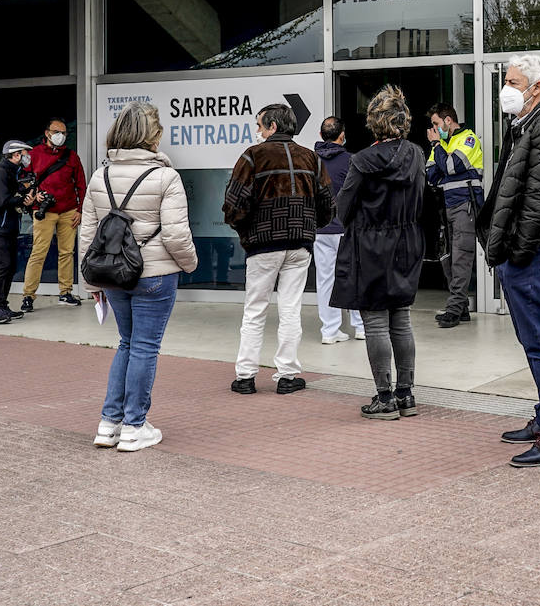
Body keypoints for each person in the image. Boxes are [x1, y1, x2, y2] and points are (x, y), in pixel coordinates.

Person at [477, 54, 540, 467]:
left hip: (534, 254)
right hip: (522, 254)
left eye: (514, 82)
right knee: (534, 342)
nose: (506, 88)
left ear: (536, 88)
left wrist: (516, 253)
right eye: (506, 80)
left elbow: (539, 203)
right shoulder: (524, 125)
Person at [81, 101, 198, 452]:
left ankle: (108, 425)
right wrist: (190, 265)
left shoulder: (100, 176)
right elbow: (176, 236)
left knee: (127, 343)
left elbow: (88, 235)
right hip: (155, 274)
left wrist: (91, 283)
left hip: (113, 275)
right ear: (153, 136)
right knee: (145, 347)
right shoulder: (166, 177)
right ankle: (134, 427)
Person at [224, 104, 335, 396]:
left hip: (263, 245)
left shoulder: (253, 155)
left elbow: (234, 204)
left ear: (272, 126)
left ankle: (245, 376)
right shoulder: (311, 158)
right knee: (290, 310)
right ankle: (287, 375)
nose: (257, 131)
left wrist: (246, 232)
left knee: (255, 310)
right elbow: (327, 204)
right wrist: (308, 226)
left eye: (259, 125)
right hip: (300, 244)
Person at [332, 87, 426, 420]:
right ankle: (406, 394)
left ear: (374, 122)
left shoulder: (362, 160)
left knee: (375, 322)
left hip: (370, 244)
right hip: (407, 240)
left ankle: (384, 397)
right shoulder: (417, 154)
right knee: (401, 318)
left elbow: (344, 207)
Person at [20, 117, 87, 313]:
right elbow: (24, 180)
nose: (61, 136)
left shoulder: (71, 156)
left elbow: (81, 185)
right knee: (38, 253)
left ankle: (66, 292)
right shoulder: (34, 154)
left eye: (64, 133)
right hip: (44, 211)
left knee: (67, 253)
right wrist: (34, 195)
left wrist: (80, 210)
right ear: (47, 133)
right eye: (57, 132)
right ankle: (28, 296)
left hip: (68, 211)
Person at [426, 101, 484, 328]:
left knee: (461, 258)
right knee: (447, 257)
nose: (433, 129)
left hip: (465, 205)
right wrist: (444, 159)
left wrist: (438, 149)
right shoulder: (442, 144)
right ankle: (462, 308)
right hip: (446, 206)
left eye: (436, 123)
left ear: (448, 120)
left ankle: (454, 309)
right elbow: (431, 175)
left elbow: (451, 167)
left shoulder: (468, 139)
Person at [314, 116, 364, 343]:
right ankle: (360, 326)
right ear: (342, 136)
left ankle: (330, 331)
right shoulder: (351, 160)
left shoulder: (311, 160)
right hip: (347, 228)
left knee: (325, 280)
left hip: (321, 229)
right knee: (353, 276)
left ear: (321, 135)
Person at [0, 140, 39, 324]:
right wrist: (23, 199)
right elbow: (2, 201)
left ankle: (2, 306)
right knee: (1, 266)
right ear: (15, 155)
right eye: (25, 154)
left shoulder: (13, 173)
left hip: (8, 228)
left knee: (10, 267)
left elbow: (14, 198)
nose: (28, 157)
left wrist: (27, 198)